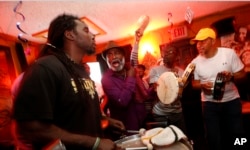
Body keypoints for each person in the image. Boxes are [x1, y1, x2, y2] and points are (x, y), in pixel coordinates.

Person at [12, 14, 125, 150]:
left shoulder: (81, 70)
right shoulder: (45, 67)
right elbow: (33, 128)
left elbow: (79, 112)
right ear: (70, 35)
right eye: (85, 30)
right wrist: (94, 143)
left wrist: (106, 120)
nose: (93, 35)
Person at [190, 27, 247, 150]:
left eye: (203, 41)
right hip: (209, 104)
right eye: (197, 42)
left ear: (213, 41)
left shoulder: (228, 54)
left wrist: (231, 77)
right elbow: (194, 83)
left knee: (238, 134)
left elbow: (242, 74)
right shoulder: (195, 62)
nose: (199, 45)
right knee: (212, 137)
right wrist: (202, 86)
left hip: (231, 101)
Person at [101, 40, 147, 132]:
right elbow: (122, 101)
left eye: (117, 53)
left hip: (142, 121)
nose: (113, 57)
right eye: (109, 55)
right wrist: (130, 77)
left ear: (123, 56)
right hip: (126, 128)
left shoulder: (130, 69)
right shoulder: (106, 79)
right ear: (106, 60)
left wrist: (154, 89)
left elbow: (142, 93)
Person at [148, 45, 187, 133]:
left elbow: (180, 94)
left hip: (177, 113)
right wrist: (155, 87)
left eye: (170, 52)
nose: (166, 55)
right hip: (160, 114)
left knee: (181, 139)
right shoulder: (155, 70)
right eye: (165, 52)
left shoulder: (181, 72)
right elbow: (153, 91)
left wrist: (176, 79)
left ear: (177, 56)